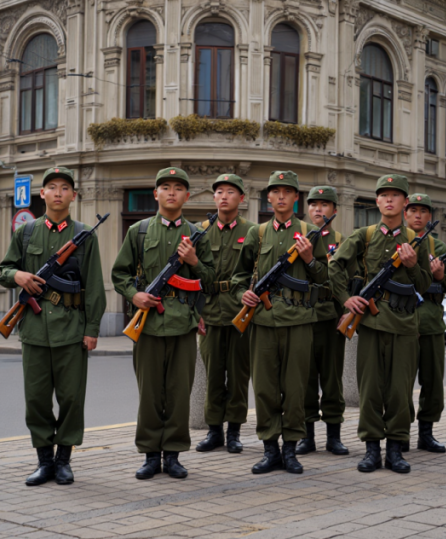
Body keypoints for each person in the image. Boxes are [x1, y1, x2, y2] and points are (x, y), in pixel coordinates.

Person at [0, 166, 106, 486]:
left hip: (71, 330)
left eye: (65, 188)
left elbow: (94, 286)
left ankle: (63, 461)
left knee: (71, 399)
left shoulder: (84, 234)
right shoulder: (26, 233)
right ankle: (44, 461)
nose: (58, 192)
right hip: (34, 329)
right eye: (52, 187)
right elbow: (5, 270)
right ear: (42, 193)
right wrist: (18, 275)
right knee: (36, 399)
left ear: (74, 195)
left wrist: (92, 329)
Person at [112, 167, 216, 480]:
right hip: (148, 325)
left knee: (178, 394)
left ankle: (173, 455)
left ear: (187, 195)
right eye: (166, 187)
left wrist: (194, 261)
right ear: (155, 194)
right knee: (149, 394)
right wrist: (135, 295)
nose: (172, 192)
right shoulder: (139, 231)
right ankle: (149, 455)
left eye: (178, 188)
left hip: (183, 324)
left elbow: (210, 281)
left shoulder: (196, 234)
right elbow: (120, 274)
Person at [328, 174, 431, 474]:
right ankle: (372, 448)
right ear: (376, 201)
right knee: (370, 389)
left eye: (395, 195)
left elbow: (425, 284)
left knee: (399, 391)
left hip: (405, 325)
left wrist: (412, 265)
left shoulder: (416, 240)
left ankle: (396, 449)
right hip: (371, 323)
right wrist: (346, 299)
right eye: (384, 195)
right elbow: (335, 266)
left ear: (404, 202)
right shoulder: (364, 236)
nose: (389, 200)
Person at [231, 170, 328, 475]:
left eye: (288, 191)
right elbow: (238, 276)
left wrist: (309, 259)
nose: (281, 196)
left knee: (295, 389)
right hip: (263, 322)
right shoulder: (257, 234)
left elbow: (325, 278)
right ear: (268, 197)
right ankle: (270, 449)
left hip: (299, 322)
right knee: (264, 388)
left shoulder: (310, 233)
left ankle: (290, 450)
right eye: (276, 191)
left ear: (296, 197)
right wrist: (244, 294)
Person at [195, 174, 252, 454]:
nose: (224, 196)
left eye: (231, 192)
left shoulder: (253, 231)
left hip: (240, 313)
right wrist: (195, 312)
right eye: (219, 191)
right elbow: (190, 274)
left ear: (241, 198)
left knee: (239, 376)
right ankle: (214, 431)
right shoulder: (200, 231)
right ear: (214, 197)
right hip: (209, 312)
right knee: (213, 376)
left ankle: (235, 432)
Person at [296, 186, 348, 457]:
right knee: (305, 380)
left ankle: (333, 436)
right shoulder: (299, 238)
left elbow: (342, 279)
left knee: (331, 379)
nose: (318, 209)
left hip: (330, 317)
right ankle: (307, 437)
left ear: (334, 210)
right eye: (313, 204)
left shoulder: (340, 241)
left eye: (325, 204)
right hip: (302, 316)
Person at [404, 194, 446, 453]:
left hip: (431, 322)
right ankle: (400, 433)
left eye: (423, 211)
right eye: (413, 210)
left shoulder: (438, 246)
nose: (417, 215)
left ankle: (426, 433)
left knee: (433, 381)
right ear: (405, 214)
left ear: (430, 216)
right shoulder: (396, 242)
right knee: (400, 383)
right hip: (402, 321)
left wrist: (440, 275)